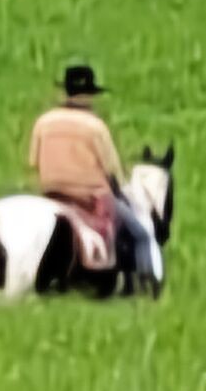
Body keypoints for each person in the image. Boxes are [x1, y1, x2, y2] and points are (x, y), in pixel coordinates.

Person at [28, 64, 155, 285]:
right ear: (88, 96)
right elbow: (112, 168)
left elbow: (33, 161)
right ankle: (145, 283)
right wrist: (121, 188)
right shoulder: (95, 127)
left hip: (51, 192)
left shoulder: (43, 122)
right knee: (141, 233)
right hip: (89, 195)